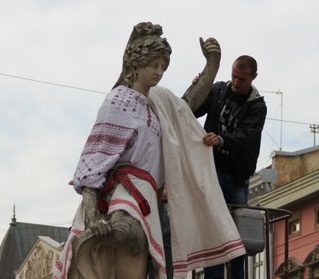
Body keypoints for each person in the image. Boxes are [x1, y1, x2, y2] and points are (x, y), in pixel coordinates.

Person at [53, 22, 246, 279]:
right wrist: (91, 212)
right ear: (136, 66)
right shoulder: (119, 100)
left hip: (152, 197)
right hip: (123, 192)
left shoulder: (158, 103)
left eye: (162, 67)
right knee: (128, 231)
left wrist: (212, 66)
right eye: (152, 66)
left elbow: (187, 104)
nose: (158, 72)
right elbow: (96, 157)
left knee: (158, 250)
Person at [194, 55, 267, 279]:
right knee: (214, 228)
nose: (236, 82)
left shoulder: (257, 106)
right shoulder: (218, 91)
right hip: (213, 170)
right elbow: (192, 109)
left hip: (237, 176)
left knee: (236, 234)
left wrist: (221, 139)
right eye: (234, 76)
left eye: (242, 79)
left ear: (253, 77)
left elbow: (247, 136)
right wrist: (197, 87)